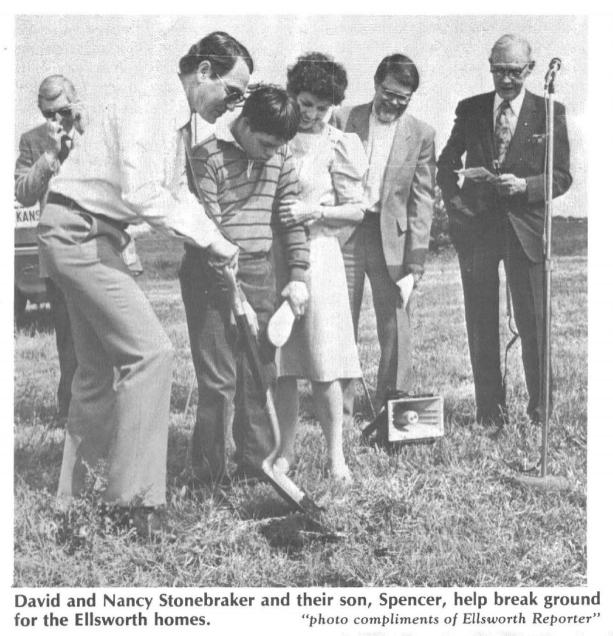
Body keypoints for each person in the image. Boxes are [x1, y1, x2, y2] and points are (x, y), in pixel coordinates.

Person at [36, 31, 252, 535]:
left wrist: (216, 240)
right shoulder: (152, 96)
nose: (233, 104)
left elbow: (176, 192)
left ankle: (76, 502)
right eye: (233, 91)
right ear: (204, 72)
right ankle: (135, 505)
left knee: (93, 374)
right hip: (79, 232)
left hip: (92, 235)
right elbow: (140, 193)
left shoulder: (178, 122)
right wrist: (215, 243)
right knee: (151, 355)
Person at [437, 34, 572, 426]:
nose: (506, 79)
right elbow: (445, 165)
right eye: (498, 70)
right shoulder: (472, 109)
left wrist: (526, 187)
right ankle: (489, 414)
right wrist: (458, 208)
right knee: (480, 324)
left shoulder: (550, 111)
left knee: (534, 325)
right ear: (490, 66)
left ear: (529, 69)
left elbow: (561, 176)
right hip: (477, 231)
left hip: (526, 231)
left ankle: (541, 414)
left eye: (514, 71)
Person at [180, 84, 309, 486]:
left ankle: (256, 465)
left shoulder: (282, 155)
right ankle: (208, 474)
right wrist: (236, 297)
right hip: (210, 270)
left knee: (259, 373)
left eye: (279, 146)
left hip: (259, 270)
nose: (272, 153)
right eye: (267, 144)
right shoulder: (207, 157)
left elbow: (290, 219)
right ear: (246, 124)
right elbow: (209, 234)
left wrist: (299, 278)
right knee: (219, 380)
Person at [273, 53, 367, 483]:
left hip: (320, 257)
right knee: (283, 363)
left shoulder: (339, 143)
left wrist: (315, 210)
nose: (310, 114)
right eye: (305, 102)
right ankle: (284, 450)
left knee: (323, 361)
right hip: (276, 257)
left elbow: (357, 211)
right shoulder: (276, 136)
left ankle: (336, 457)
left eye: (320, 107)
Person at [332, 54, 436, 415]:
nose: (394, 102)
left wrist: (416, 260)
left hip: (389, 238)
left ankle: (392, 400)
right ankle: (338, 404)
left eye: (403, 98)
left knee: (395, 317)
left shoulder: (422, 135)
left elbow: (422, 200)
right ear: (376, 84)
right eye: (389, 93)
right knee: (340, 314)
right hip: (346, 230)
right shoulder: (342, 119)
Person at [15, 75, 81, 421]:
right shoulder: (32, 142)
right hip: (58, 252)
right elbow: (23, 192)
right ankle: (70, 412)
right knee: (68, 337)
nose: (56, 121)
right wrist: (50, 155)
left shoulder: (93, 134)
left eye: (63, 112)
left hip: (98, 248)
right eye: (48, 114)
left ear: (76, 103)